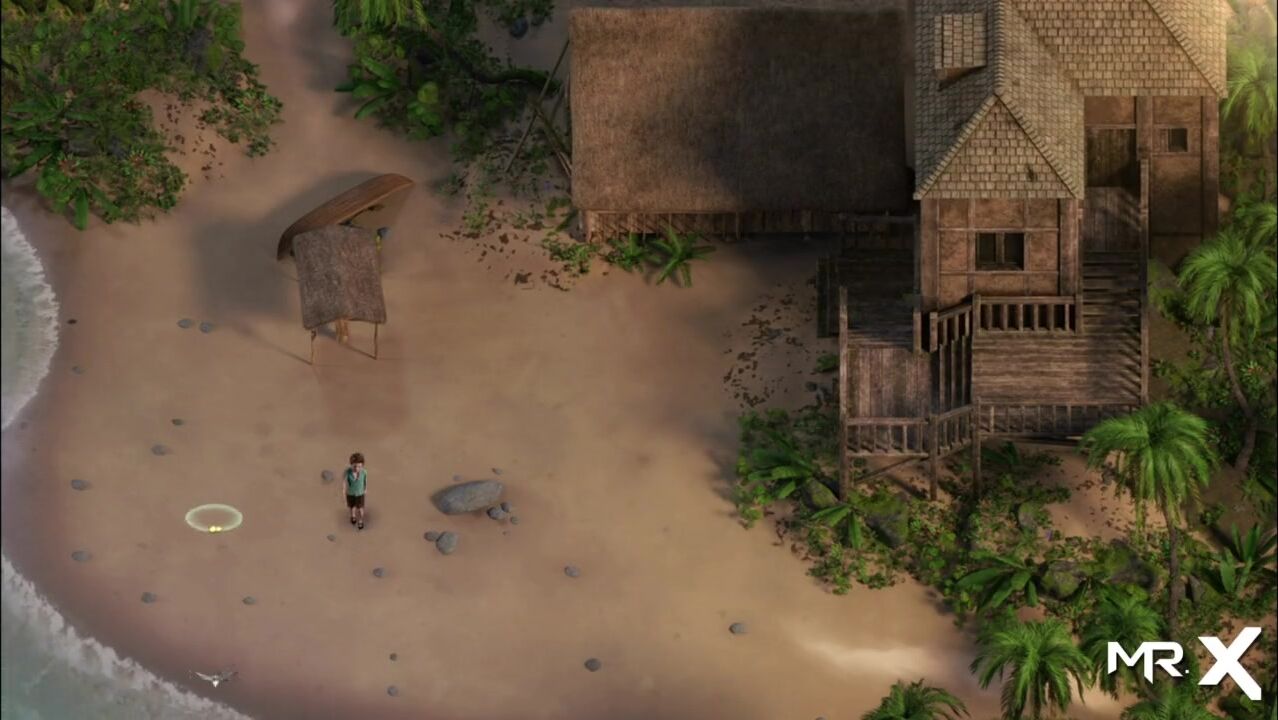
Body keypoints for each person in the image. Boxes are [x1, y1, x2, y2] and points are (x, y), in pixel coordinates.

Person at [344, 452, 368, 529]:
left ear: (362, 465)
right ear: (351, 464)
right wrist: (344, 493)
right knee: (352, 507)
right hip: (350, 493)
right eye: (355, 466)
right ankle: (353, 516)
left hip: (360, 494)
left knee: (360, 509)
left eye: (359, 466)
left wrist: (365, 488)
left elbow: (365, 480)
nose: (357, 468)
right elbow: (344, 483)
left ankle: (360, 521)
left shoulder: (364, 472)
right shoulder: (348, 472)